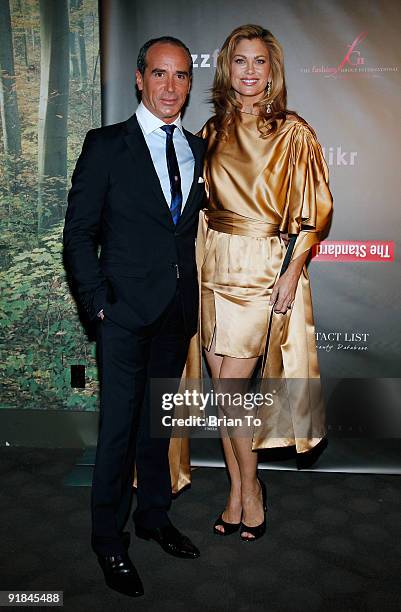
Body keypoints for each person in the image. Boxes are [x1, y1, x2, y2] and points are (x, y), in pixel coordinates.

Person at [63, 36, 205, 597]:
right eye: (160, 75)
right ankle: (108, 541)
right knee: (119, 432)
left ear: (190, 83)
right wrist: (97, 303)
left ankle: (153, 518)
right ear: (140, 79)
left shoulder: (198, 148)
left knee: (157, 428)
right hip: (121, 315)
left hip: (176, 313)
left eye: (182, 76)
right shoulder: (106, 146)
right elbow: (78, 234)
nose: (171, 86)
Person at [197, 25, 333, 542]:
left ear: (272, 70)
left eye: (259, 62)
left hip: (262, 269)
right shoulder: (211, 130)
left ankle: (251, 492)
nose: (249, 71)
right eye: (239, 61)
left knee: (232, 392)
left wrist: (293, 272)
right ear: (226, 68)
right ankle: (236, 491)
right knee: (223, 393)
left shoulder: (293, 131)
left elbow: (313, 212)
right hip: (212, 267)